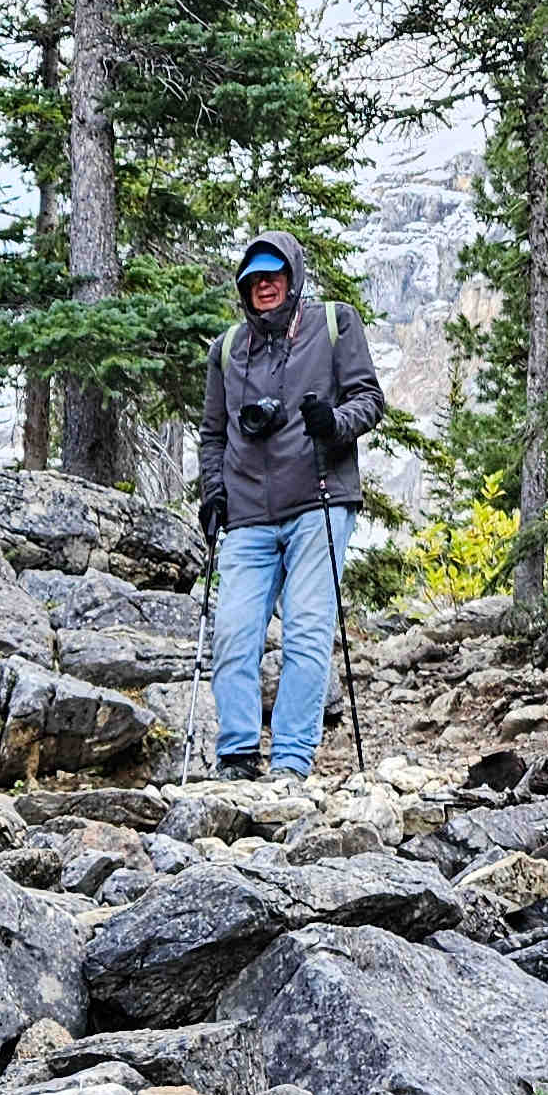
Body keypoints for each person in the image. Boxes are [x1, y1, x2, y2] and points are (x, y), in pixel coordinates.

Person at [194, 231, 382, 780]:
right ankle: (236, 756)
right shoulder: (227, 350)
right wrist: (213, 494)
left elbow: (369, 400)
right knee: (234, 633)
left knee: (306, 633)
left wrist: (332, 423)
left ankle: (291, 764)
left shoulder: (333, 324)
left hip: (319, 502)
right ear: (244, 288)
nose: (265, 284)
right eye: (255, 278)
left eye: (274, 274)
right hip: (247, 514)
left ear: (293, 277)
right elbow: (212, 434)